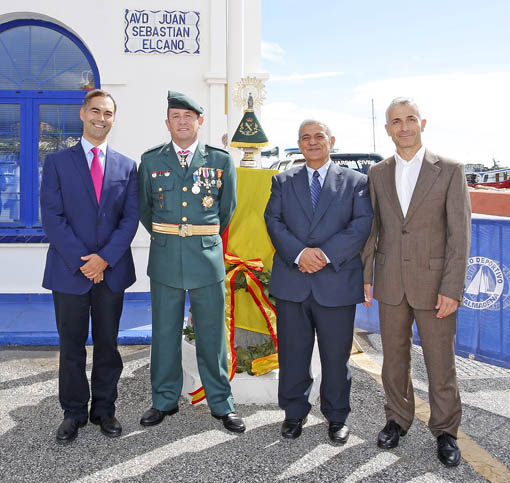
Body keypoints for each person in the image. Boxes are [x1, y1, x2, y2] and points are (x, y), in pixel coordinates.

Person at [362, 97, 471, 467]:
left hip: (435, 284)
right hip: (391, 282)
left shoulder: (451, 170)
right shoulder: (377, 173)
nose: (404, 126)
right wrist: (366, 276)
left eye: (410, 119)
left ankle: (445, 430)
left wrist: (452, 288)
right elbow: (372, 230)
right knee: (392, 359)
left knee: (441, 362)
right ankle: (396, 419)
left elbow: (460, 236)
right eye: (396, 121)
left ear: (422, 124)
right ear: (388, 128)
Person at [138, 91, 245, 433]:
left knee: (212, 334)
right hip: (166, 257)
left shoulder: (221, 161)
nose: (182, 122)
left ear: (200, 122)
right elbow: (145, 210)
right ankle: (164, 399)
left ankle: (221, 402)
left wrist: (200, 235)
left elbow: (226, 211)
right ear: (167, 123)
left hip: (206, 256)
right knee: (165, 332)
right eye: (176, 116)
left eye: (189, 116)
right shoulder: (151, 161)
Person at [264, 120, 373, 442]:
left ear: (331, 141)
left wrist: (323, 255)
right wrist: (300, 254)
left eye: (319, 136)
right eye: (305, 138)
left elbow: (361, 224)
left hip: (336, 282)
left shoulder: (356, 182)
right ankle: (294, 413)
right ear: (299, 143)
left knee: (336, 356)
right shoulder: (283, 181)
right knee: (293, 354)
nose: (312, 142)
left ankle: (337, 416)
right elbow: (273, 220)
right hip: (293, 281)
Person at [40, 89, 139, 443]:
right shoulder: (56, 163)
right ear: (83, 114)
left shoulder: (127, 167)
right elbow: (51, 217)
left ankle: (104, 410)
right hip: (70, 272)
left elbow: (130, 219)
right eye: (95, 111)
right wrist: (84, 262)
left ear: (113, 119)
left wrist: (104, 259)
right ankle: (73, 412)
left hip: (111, 271)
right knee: (71, 347)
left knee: (108, 345)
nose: (101, 118)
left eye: (108, 113)